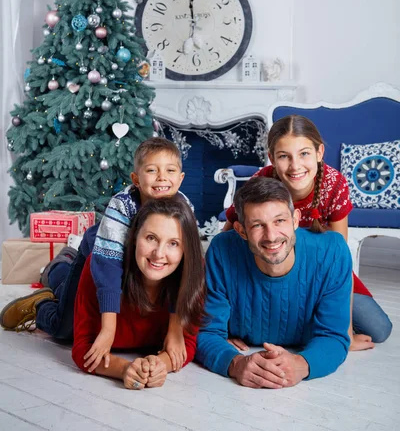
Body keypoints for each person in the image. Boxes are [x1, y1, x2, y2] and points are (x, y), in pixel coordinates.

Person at [1, 138, 192, 371]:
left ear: (181, 179)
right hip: (97, 256)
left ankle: (60, 270)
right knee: (64, 328)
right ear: (136, 180)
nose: (162, 177)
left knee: (67, 292)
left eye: (170, 170)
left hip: (133, 265)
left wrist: (175, 330)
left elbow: (184, 270)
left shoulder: (184, 209)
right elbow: (108, 267)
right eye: (152, 170)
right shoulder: (122, 206)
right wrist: (108, 329)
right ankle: (42, 301)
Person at [223, 115, 392, 349]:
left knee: (379, 328)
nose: (295, 166)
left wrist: (345, 334)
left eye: (304, 153)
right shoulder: (260, 182)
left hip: (320, 274)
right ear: (271, 158)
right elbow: (226, 242)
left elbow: (339, 259)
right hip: (270, 271)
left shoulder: (334, 185)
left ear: (319, 153)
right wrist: (224, 327)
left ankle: (314, 326)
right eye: (284, 156)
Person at [196, 176, 353, 388]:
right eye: (258, 225)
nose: (271, 236)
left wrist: (301, 363)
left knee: (374, 325)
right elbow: (207, 332)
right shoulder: (221, 251)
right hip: (269, 310)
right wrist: (235, 362)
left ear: (296, 219)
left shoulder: (332, 251)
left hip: (321, 287)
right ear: (241, 230)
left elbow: (334, 335)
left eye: (280, 221)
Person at [72, 196, 205, 388]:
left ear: (186, 249)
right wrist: (124, 368)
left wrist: (159, 365)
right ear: (134, 238)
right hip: (80, 266)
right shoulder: (102, 269)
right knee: (61, 324)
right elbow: (82, 349)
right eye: (151, 238)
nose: (159, 254)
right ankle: (60, 263)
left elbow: (186, 346)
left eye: (173, 243)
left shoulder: (193, 274)